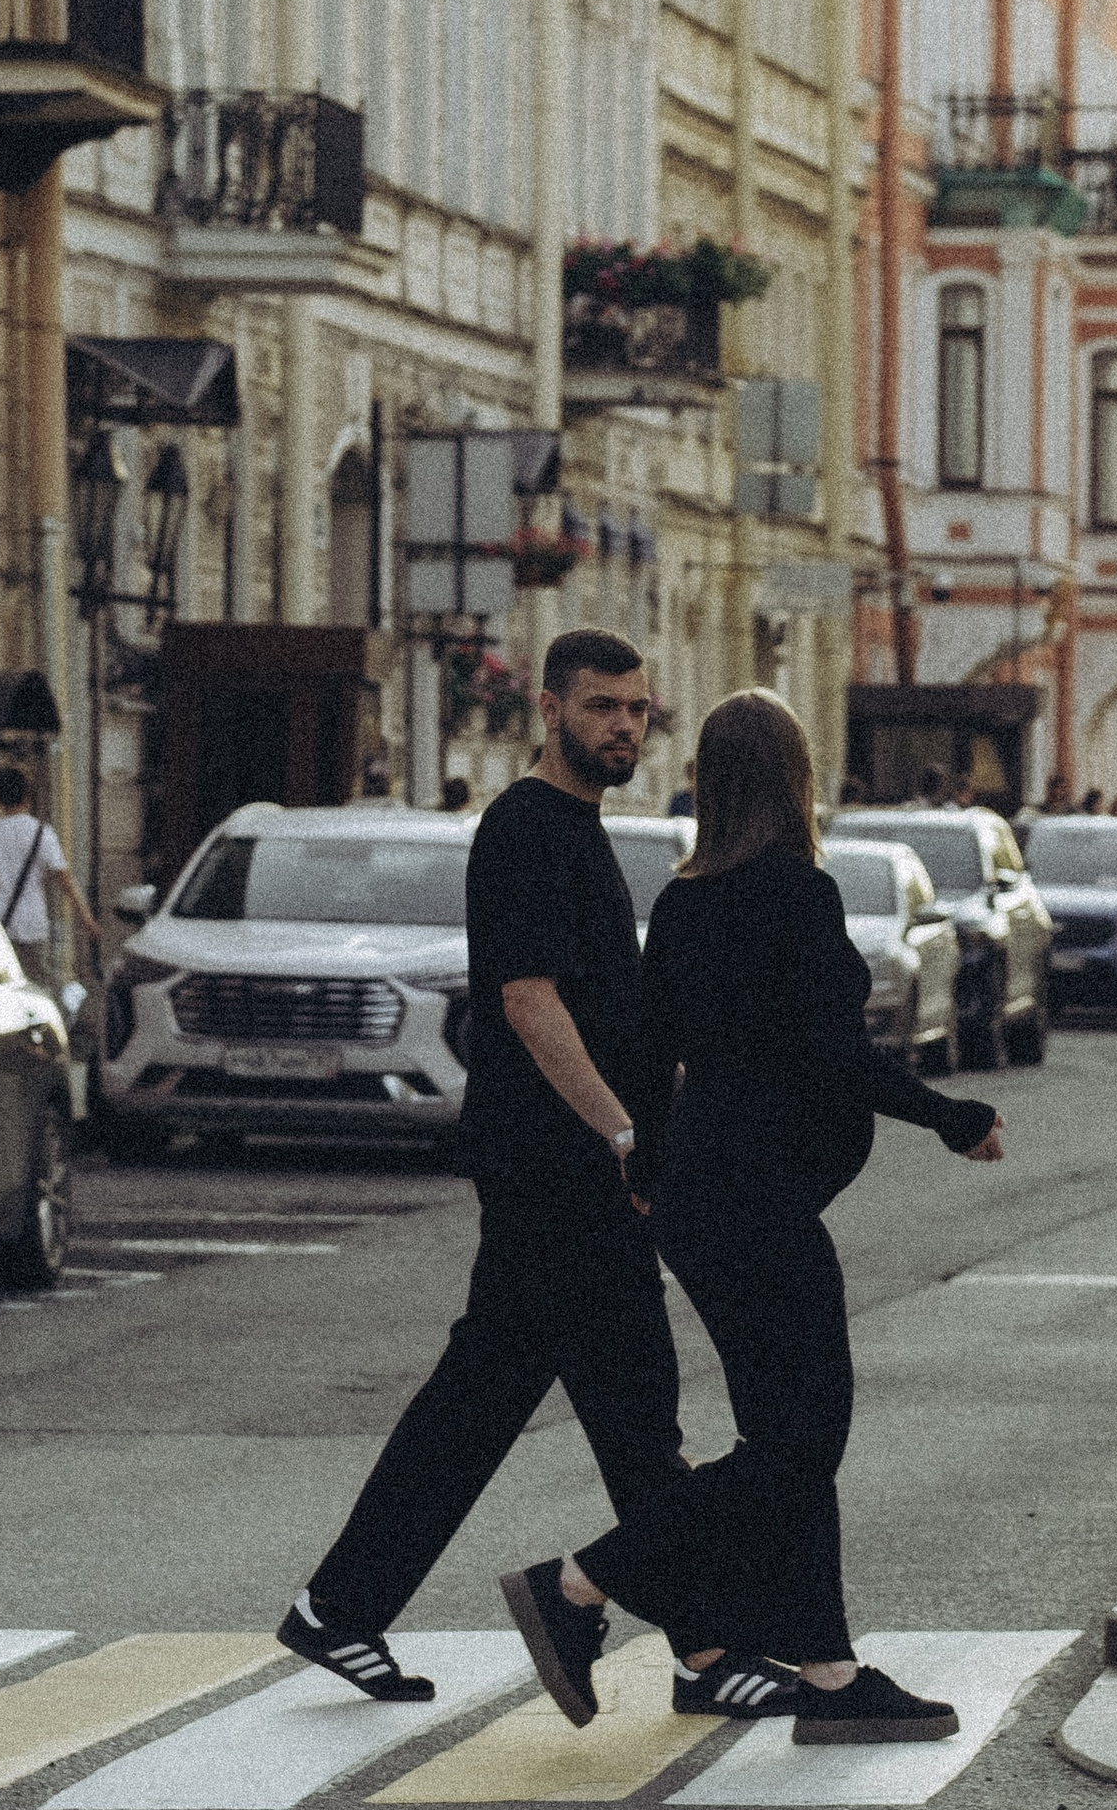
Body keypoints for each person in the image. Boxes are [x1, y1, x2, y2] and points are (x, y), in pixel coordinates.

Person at [280, 632, 780, 1719]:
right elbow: (528, 1000)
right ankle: (701, 1653)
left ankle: (339, 1605)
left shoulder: (581, 832)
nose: (624, 727)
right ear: (548, 710)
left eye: (639, 711)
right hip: (554, 1172)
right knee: (634, 1411)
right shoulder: (523, 830)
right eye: (602, 707)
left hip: (568, 1174)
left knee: (490, 1401)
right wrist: (619, 1134)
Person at [520, 687, 1003, 1745]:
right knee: (798, 1440)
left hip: (700, 1196)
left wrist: (643, 1159)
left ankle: (828, 1676)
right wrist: (947, 1115)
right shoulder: (793, 892)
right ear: (793, 781)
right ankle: (579, 1586)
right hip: (756, 1202)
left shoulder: (688, 898)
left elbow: (648, 1047)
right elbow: (830, 1051)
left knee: (788, 1439)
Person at [0, 765, 99, 984]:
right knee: (38, 986)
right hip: (32, 923)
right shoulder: (42, 832)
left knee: (2, 987)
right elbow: (65, 880)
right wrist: (87, 920)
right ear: (28, 796)